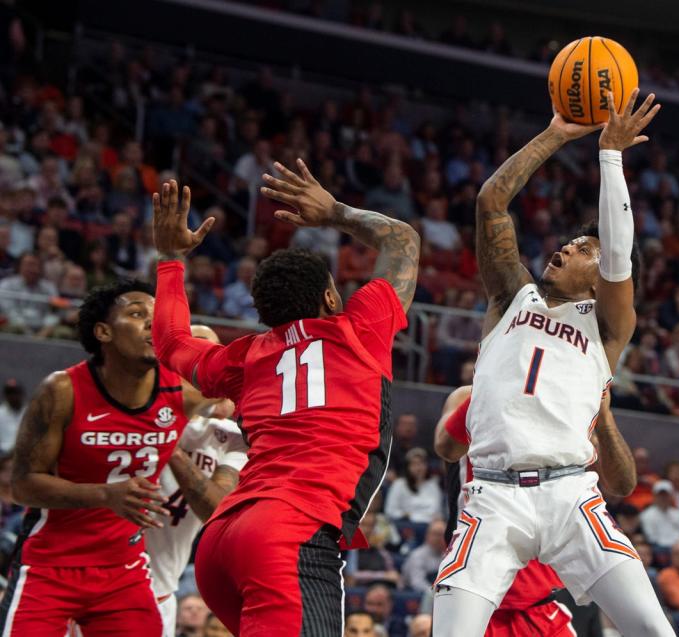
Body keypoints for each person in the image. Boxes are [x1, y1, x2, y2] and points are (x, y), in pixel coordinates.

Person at [431, 89, 672, 636]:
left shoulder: (608, 324)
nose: (563, 249)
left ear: (598, 273)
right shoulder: (511, 297)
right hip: (492, 496)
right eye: (565, 244)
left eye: (580, 249)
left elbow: (617, 250)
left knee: (655, 631)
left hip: (570, 495)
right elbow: (492, 203)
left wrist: (610, 156)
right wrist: (557, 135)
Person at [151, 170, 419, 636]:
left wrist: (171, 259)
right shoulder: (361, 327)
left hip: (222, 540)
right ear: (332, 296)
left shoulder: (246, 358)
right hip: (290, 536)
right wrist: (336, 212)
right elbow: (402, 240)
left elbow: (171, 342)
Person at [1, 278, 209, 634]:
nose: (150, 323)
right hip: (49, 566)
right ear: (103, 332)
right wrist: (104, 495)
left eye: (156, 316)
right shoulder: (62, 390)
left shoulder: (182, 390)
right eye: (136, 313)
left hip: (123, 569)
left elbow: (244, 396)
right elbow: (21, 486)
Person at [434, 383, 637, 637]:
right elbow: (445, 446)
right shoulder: (470, 395)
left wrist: (605, 417)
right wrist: (498, 380)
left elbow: (624, 484)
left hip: (541, 603)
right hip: (476, 595)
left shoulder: (566, 402)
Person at [147, 326, 248, 637]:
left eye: (206, 351)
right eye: (189, 348)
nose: (197, 358)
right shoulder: (136, 411)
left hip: (160, 595)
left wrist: (169, 448)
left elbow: (214, 509)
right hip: (95, 582)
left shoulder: (230, 437)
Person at [383, 447, 444, 523]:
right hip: (405, 524)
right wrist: (406, 515)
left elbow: (437, 512)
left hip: (429, 525)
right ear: (407, 467)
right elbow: (390, 511)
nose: (418, 468)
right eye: (414, 464)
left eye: (421, 463)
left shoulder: (433, 485)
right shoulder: (399, 484)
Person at [642, 480, 679, 547]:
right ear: (654, 496)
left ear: (671, 496)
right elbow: (652, 539)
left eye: (666, 495)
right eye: (660, 495)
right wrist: (675, 544)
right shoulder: (647, 515)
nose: (663, 498)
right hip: (661, 551)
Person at [402, 519, 446, 593]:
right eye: (435, 534)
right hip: (415, 594)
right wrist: (437, 593)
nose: (438, 538)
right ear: (427, 535)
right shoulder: (417, 555)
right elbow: (417, 583)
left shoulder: (448, 555)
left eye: (442, 535)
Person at [0, 378, 25, 454]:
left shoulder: (29, 413)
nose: (13, 396)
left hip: (24, 453)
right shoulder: (0, 414)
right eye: (10, 393)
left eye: (16, 393)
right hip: (3, 454)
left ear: (21, 394)